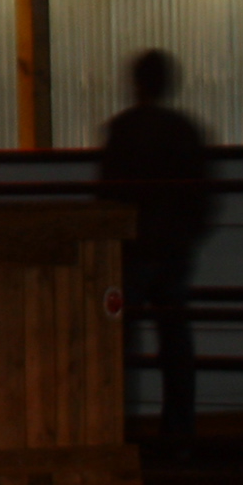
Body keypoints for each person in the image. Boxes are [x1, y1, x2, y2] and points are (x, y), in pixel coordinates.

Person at [93, 48, 217, 449]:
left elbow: (106, 191)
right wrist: (188, 233)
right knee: (175, 339)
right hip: (173, 247)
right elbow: (203, 193)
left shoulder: (123, 129)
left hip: (132, 246)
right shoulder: (185, 129)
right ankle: (179, 431)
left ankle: (118, 430)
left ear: (137, 84)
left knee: (120, 340)